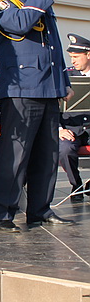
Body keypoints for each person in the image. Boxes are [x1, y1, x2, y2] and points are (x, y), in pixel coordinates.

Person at [0, 0, 74, 233]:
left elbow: (53, 44)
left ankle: (40, 209)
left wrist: (62, 79)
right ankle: (1, 212)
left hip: (47, 86)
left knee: (47, 153)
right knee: (14, 154)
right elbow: (17, 26)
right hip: (21, 87)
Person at [59, 33, 90, 202]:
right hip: (71, 129)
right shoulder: (66, 77)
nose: (73, 61)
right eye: (71, 57)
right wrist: (59, 129)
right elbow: (52, 109)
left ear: (89, 55)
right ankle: (76, 184)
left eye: (76, 57)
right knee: (64, 149)